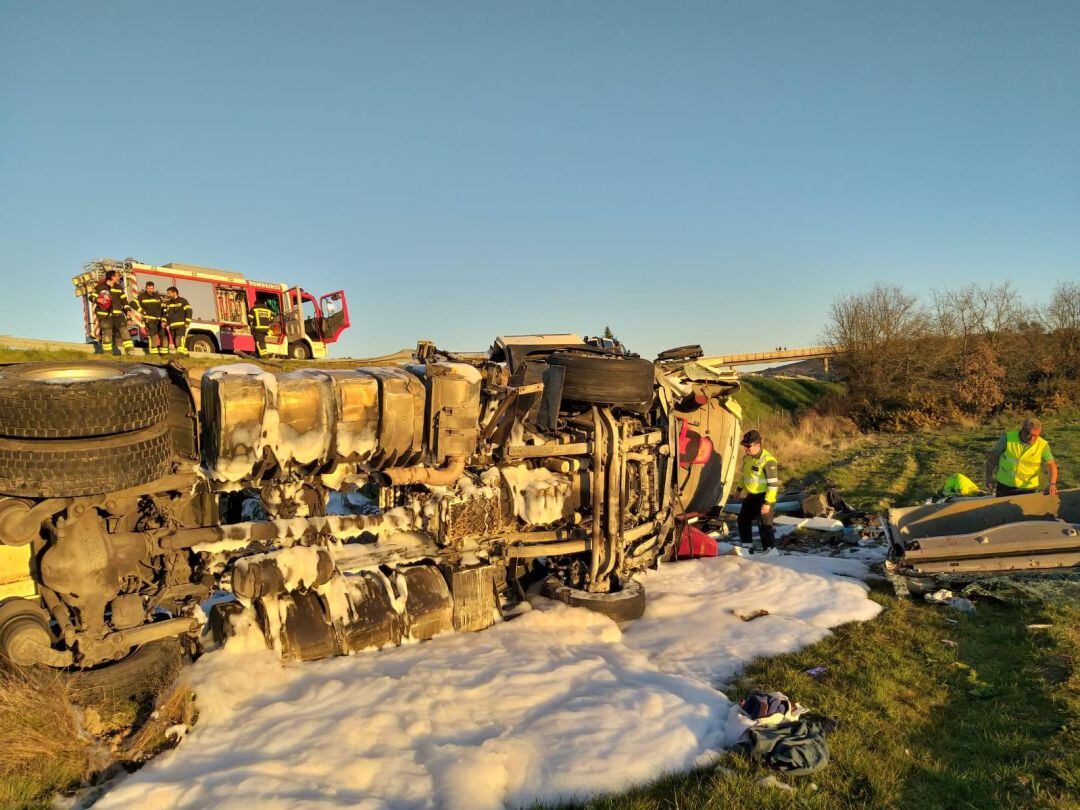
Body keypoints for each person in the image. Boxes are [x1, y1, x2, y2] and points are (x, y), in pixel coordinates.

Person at [985, 417, 1058, 497]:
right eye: (1030, 435)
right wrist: (989, 477)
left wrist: (1052, 484)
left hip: (1028, 489)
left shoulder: (1042, 445)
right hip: (1005, 486)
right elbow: (992, 458)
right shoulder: (1007, 438)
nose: (1033, 439)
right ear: (1023, 431)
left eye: (1036, 436)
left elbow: (1051, 464)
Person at [732, 429, 780, 551]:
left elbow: (773, 485)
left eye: (748, 446)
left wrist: (767, 503)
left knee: (764, 526)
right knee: (743, 519)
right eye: (744, 446)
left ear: (758, 445)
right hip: (751, 496)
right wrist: (738, 490)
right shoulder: (747, 458)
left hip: (764, 497)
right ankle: (747, 548)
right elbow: (744, 476)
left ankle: (770, 551)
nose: (746, 449)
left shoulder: (768, 461)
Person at [93, 270, 132, 355]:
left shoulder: (119, 287)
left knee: (124, 332)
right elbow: (92, 297)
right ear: (112, 277)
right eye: (117, 276)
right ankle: (108, 354)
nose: (118, 278)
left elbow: (124, 301)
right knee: (107, 335)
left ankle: (130, 353)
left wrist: (128, 310)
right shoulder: (100, 287)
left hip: (119, 315)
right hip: (105, 316)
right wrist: (98, 299)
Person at [135, 280, 165, 355]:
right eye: (148, 288)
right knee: (152, 335)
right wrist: (142, 311)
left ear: (153, 288)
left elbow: (162, 306)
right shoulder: (141, 296)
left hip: (158, 319)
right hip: (149, 319)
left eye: (151, 288)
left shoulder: (157, 296)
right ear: (146, 288)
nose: (150, 290)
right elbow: (133, 303)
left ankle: (163, 352)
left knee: (162, 335)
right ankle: (153, 352)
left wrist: (163, 317)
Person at [163, 287, 192, 356]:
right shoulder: (168, 303)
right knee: (176, 342)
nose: (168, 295)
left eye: (169, 293)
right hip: (172, 326)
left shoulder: (182, 301)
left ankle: (180, 355)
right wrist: (163, 321)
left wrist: (187, 322)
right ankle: (186, 355)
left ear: (174, 293)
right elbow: (165, 313)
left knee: (179, 339)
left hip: (181, 325)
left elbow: (189, 311)